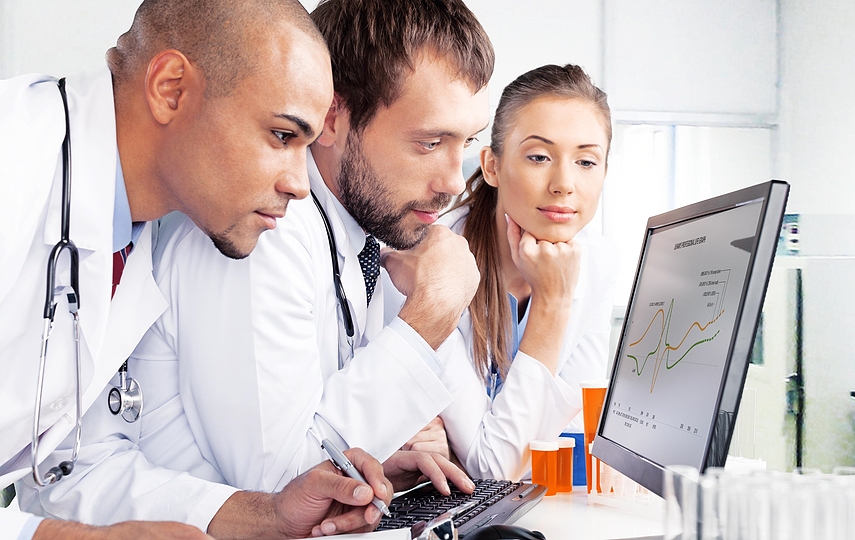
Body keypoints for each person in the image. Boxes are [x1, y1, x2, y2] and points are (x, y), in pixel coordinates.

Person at [2, 1, 396, 538]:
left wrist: (270, 516)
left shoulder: (140, 229)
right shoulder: (14, 159)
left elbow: (76, 468)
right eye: (282, 136)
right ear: (171, 89)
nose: (300, 184)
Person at [120, 0, 493, 499]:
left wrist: (377, 462)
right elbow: (283, 489)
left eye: (466, 142)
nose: (453, 181)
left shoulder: (360, 234)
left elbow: (315, 439)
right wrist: (429, 317)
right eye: (429, 143)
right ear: (332, 117)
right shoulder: (260, 225)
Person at [437, 64, 619, 481]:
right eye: (539, 157)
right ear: (492, 167)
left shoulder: (599, 263)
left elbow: (570, 435)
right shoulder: (436, 261)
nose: (564, 184)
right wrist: (552, 305)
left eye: (587, 162)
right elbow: (496, 468)